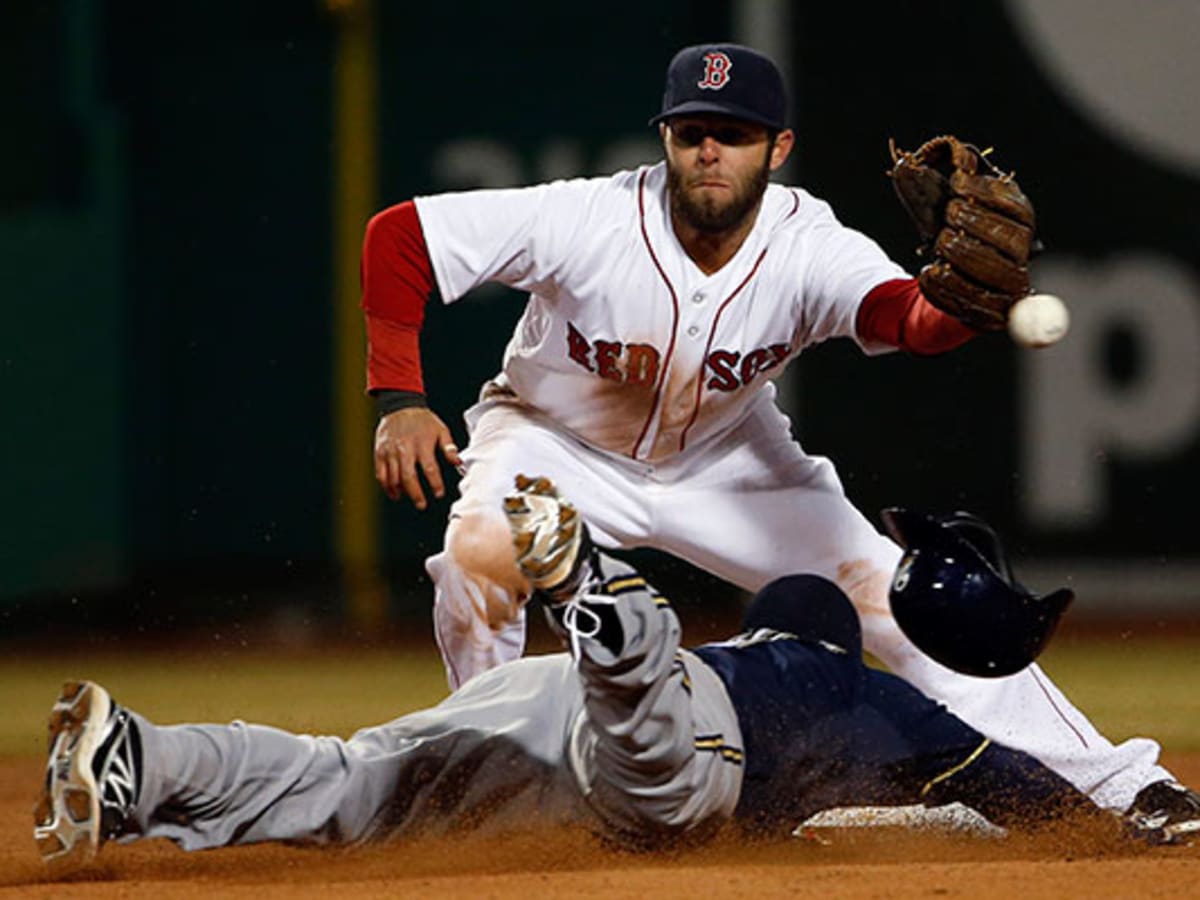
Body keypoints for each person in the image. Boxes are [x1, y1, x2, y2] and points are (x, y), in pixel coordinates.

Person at [359, 42, 1199, 824]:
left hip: (730, 462)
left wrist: (953, 308)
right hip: (552, 440)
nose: (710, 153)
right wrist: (400, 397)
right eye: (692, 134)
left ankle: (1128, 788)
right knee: (478, 555)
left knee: (895, 599)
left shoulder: (808, 243)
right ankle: (481, 777)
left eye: (734, 135)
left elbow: (902, 318)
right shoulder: (588, 219)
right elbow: (399, 237)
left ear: (778, 146)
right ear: (666, 140)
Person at [36, 477, 1119, 866]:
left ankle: (138, 759)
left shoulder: (772, 663)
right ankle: (595, 585)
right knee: (655, 735)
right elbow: (1014, 786)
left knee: (344, 782)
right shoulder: (856, 691)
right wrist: (1124, 829)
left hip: (540, 709)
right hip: (667, 729)